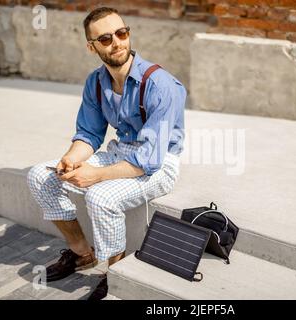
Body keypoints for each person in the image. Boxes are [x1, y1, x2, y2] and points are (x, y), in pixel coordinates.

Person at [26, 6, 186, 300]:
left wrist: (96, 176)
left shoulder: (161, 85)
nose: (117, 42)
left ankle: (115, 277)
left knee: (101, 197)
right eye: (106, 38)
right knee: (40, 176)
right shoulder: (95, 83)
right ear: (91, 47)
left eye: (122, 33)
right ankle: (82, 254)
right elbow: (88, 135)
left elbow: (149, 160)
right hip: (119, 153)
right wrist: (72, 159)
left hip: (160, 164)